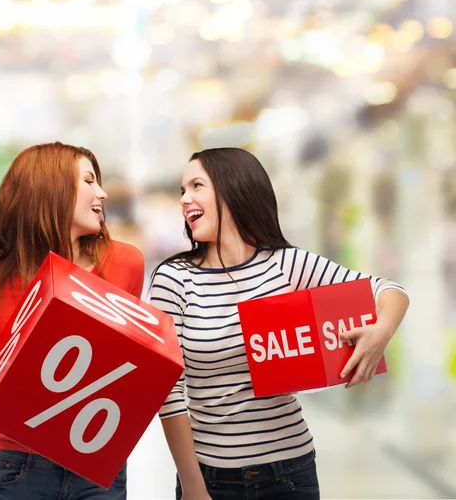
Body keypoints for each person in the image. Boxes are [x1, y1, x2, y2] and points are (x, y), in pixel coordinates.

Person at [149, 148, 409, 500]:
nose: (185, 199)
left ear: (234, 188)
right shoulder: (174, 279)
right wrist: (193, 486)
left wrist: (382, 332)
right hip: (210, 479)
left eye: (197, 185)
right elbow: (169, 391)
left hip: (290, 473)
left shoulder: (285, 265)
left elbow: (388, 289)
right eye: (182, 190)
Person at [0, 142, 144, 500]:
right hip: (16, 469)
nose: (103, 193)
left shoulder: (125, 264)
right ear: (51, 190)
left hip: (96, 465)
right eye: (89, 181)